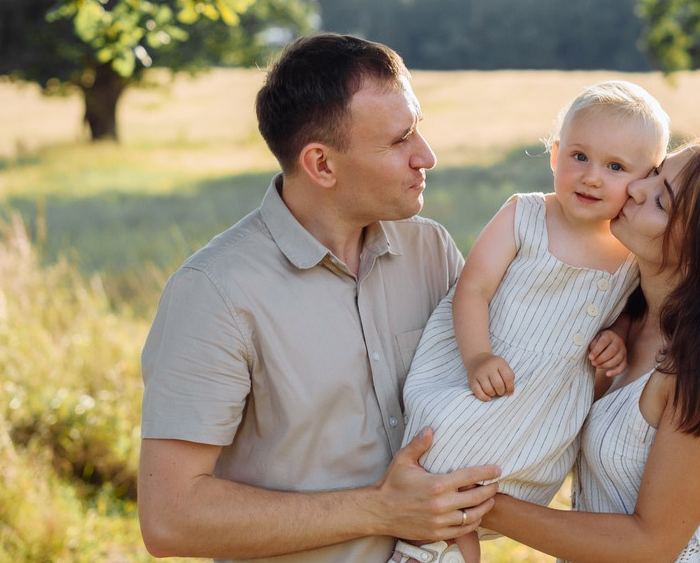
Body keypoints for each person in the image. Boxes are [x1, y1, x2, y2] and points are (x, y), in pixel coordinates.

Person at [137, 33, 499, 563]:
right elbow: (170, 518)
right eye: (400, 141)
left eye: (418, 129)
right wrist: (380, 509)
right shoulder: (214, 292)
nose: (427, 156)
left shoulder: (432, 250)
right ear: (322, 165)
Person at [480, 135, 700, 562]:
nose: (634, 188)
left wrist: (476, 505)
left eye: (661, 202)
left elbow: (651, 545)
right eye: (655, 174)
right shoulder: (617, 309)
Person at [390, 81, 671, 563]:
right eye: (579, 156)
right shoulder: (525, 214)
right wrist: (478, 354)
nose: (592, 178)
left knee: (485, 490)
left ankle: (445, 551)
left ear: (644, 181)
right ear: (555, 154)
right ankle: (418, 551)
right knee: (448, 458)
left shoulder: (630, 251)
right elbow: (472, 288)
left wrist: (615, 338)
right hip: (487, 373)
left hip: (542, 406)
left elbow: (628, 312)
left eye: (616, 167)